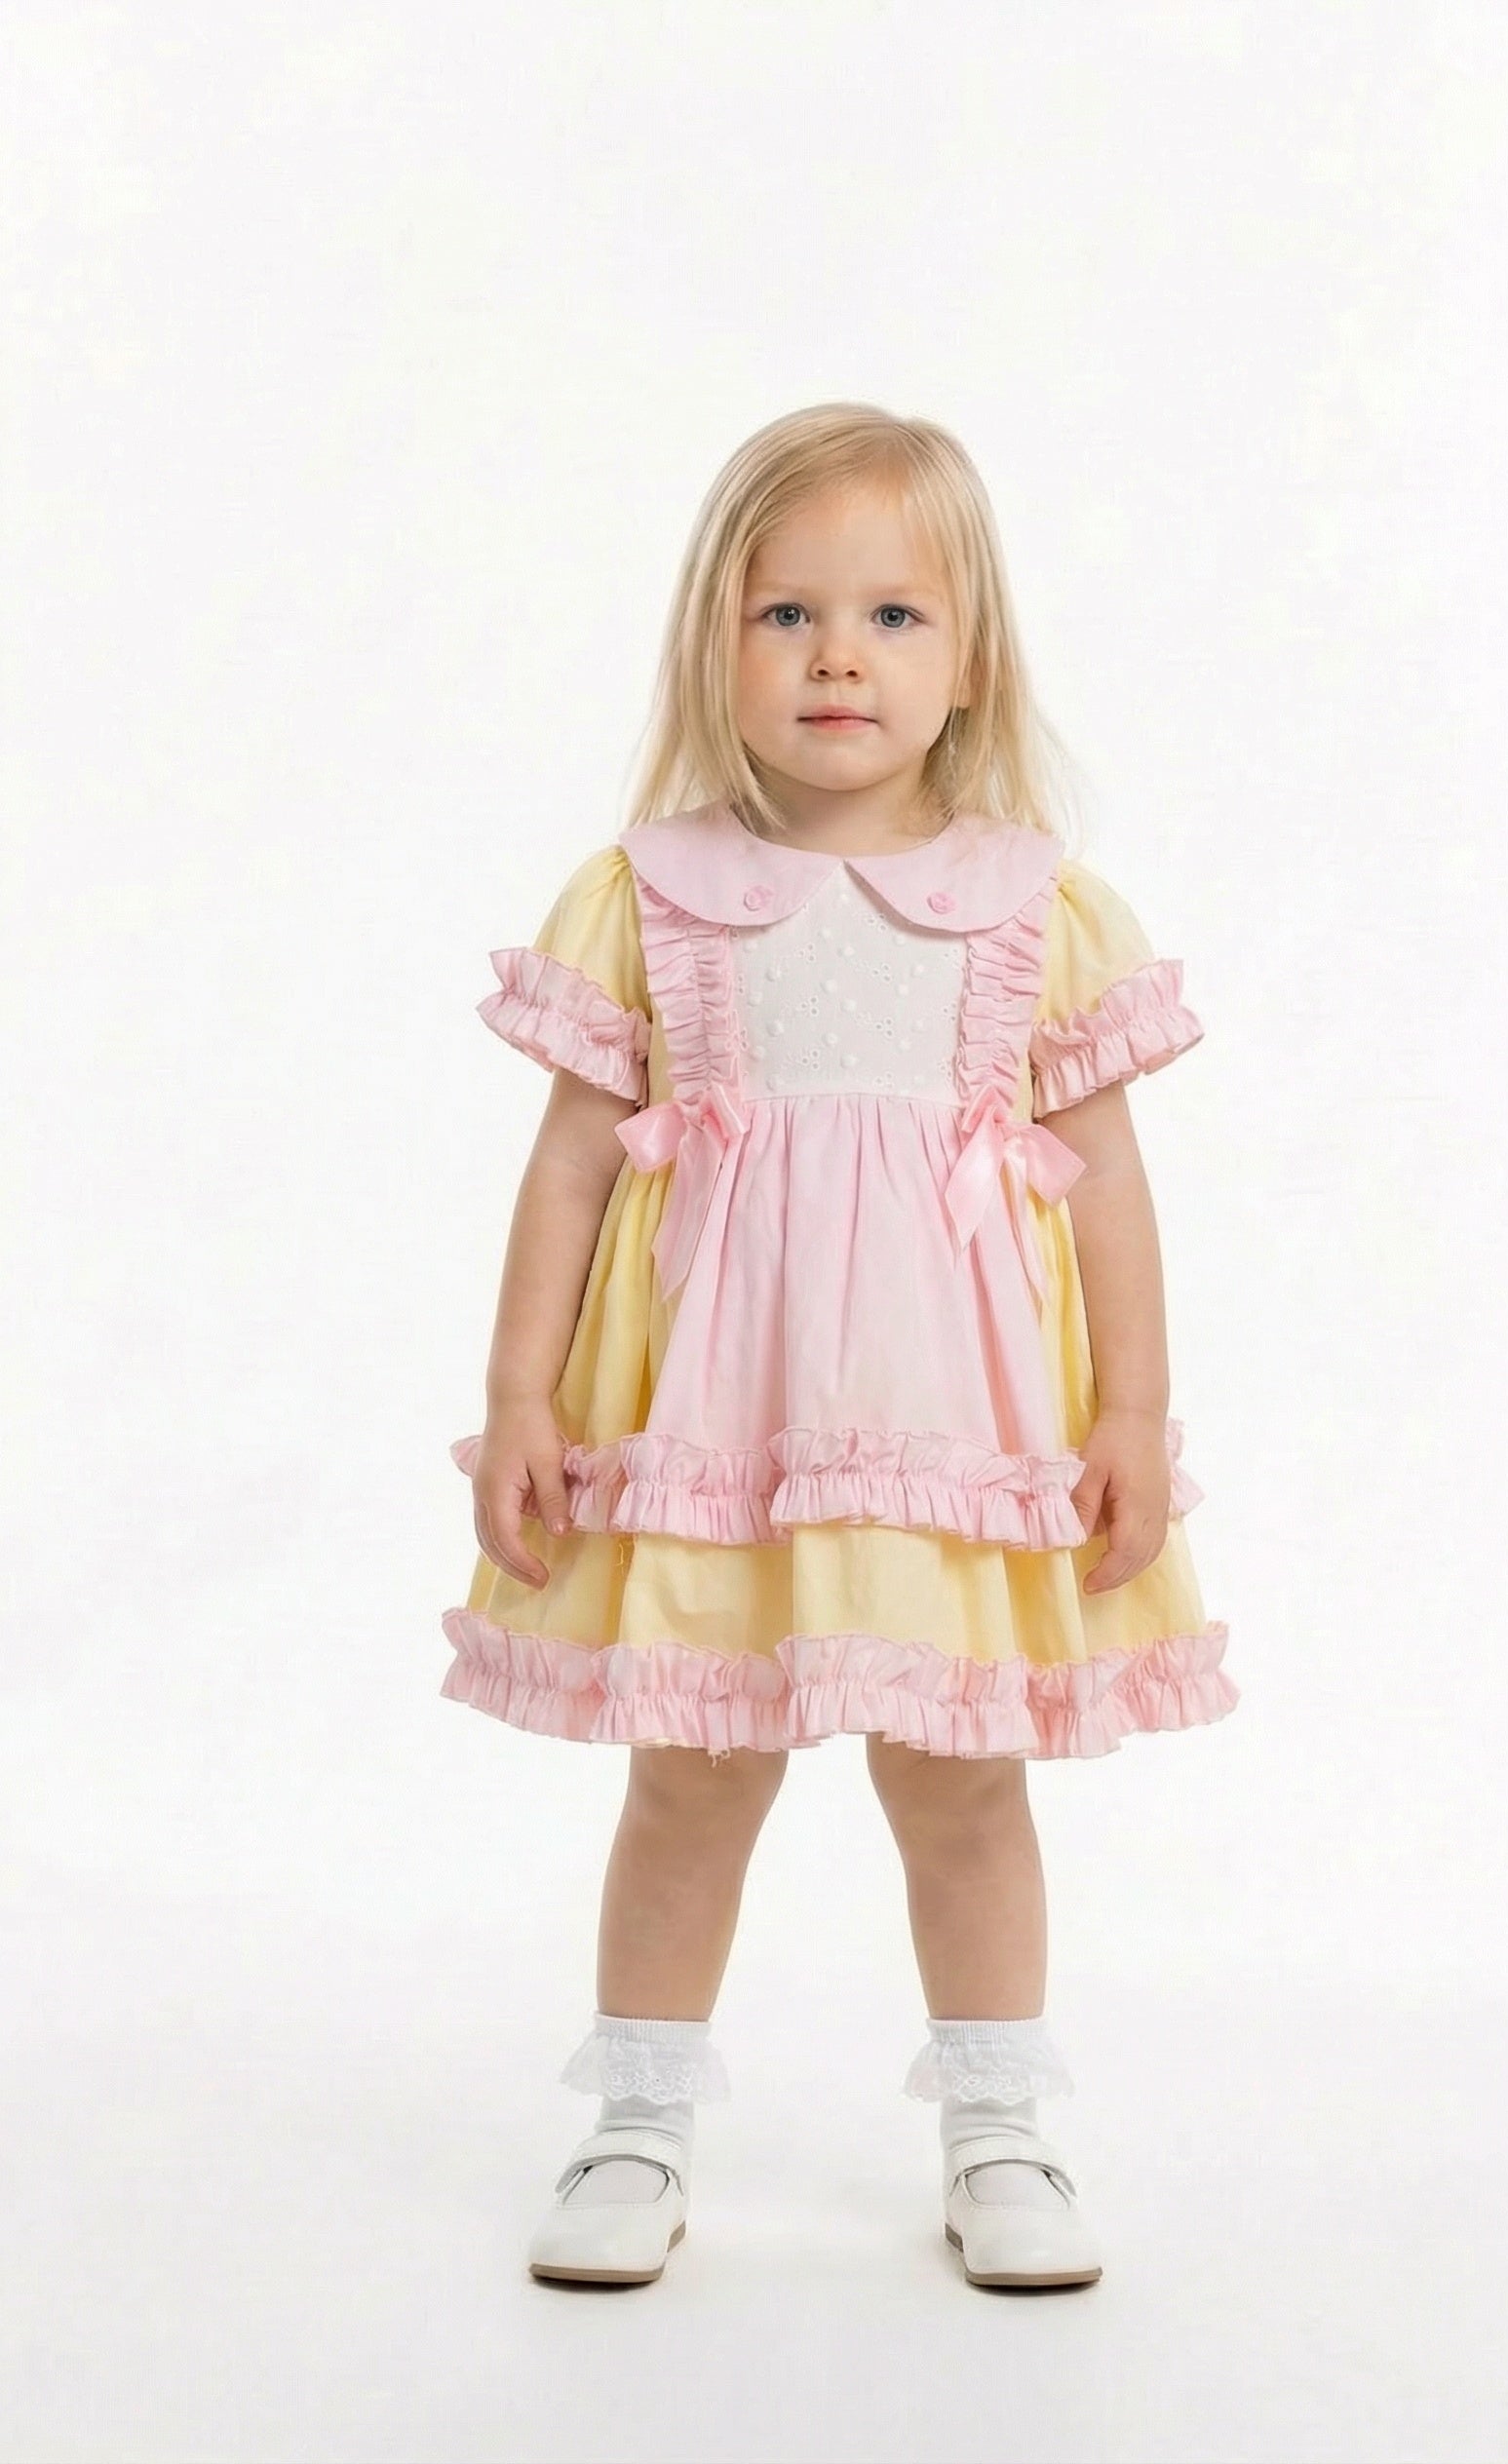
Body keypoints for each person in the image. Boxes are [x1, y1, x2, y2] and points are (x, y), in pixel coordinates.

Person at [441, 401, 1238, 2291]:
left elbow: (1103, 1183)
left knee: (958, 1780)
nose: (833, 658)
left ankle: (999, 2132)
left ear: (966, 662)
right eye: (784, 611)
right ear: (715, 639)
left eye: (889, 617)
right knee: (692, 1771)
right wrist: (518, 1396)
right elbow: (568, 1168)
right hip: (719, 1421)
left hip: (947, 1431)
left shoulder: (1035, 911)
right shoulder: (642, 894)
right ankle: (636, 2120)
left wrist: (1127, 1408)